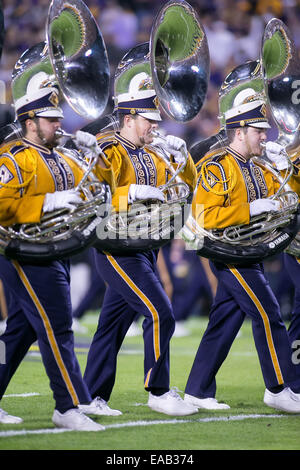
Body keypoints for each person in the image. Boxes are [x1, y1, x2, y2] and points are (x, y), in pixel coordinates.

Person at [0, 83, 117, 430]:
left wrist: (97, 155)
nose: (58, 124)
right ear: (30, 121)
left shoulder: (65, 156)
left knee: (19, 331)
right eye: (50, 119)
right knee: (58, 327)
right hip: (24, 254)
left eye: (57, 118)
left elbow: (102, 188)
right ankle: (68, 405)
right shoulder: (13, 158)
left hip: (56, 250)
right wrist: (45, 204)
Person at [82, 83, 199, 416]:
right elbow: (89, 198)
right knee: (160, 312)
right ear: (129, 117)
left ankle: (90, 396)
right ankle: (159, 391)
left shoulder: (154, 151)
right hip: (116, 248)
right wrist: (128, 193)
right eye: (149, 120)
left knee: (111, 326)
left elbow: (186, 187)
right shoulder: (106, 147)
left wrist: (185, 157)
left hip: (146, 245)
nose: (156, 126)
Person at [183, 90, 300, 413]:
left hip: (250, 251)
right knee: (269, 312)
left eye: (265, 130)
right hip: (228, 253)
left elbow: (287, 202)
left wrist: (285, 170)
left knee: (226, 318)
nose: (265, 136)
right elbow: (206, 217)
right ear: (239, 132)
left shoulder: (259, 167)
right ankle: (279, 387)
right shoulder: (217, 167)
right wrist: (250, 210)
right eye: (258, 130)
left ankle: (197, 389)